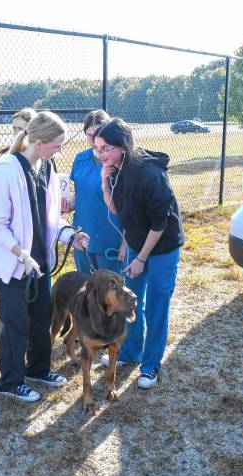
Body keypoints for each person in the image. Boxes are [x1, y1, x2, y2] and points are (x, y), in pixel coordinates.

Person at [0, 111, 90, 402]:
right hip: (13, 265)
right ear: (39, 142)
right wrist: (20, 254)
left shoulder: (48, 167)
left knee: (42, 318)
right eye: (57, 145)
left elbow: (50, 218)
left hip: (40, 264)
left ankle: (38, 369)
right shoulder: (5, 169)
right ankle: (10, 381)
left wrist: (70, 236)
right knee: (16, 323)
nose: (60, 150)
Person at [96, 118, 185, 389]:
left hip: (161, 247)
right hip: (137, 245)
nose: (101, 155)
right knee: (130, 302)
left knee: (158, 304)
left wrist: (141, 258)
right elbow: (114, 210)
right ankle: (131, 352)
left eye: (105, 148)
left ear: (123, 146)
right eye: (97, 149)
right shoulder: (116, 169)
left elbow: (159, 223)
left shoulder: (150, 173)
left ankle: (150, 365)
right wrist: (104, 182)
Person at [61, 110, 122, 274]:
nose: (94, 140)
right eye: (89, 135)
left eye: (98, 133)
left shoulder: (116, 160)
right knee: (86, 288)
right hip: (83, 233)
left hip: (109, 235)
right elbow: (81, 194)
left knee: (110, 291)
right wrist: (68, 205)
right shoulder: (81, 158)